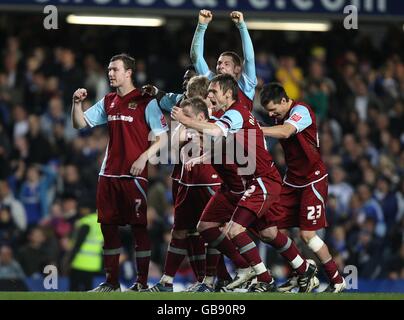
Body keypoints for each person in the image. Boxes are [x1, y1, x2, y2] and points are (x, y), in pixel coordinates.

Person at [172, 75, 317, 292]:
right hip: (249, 182)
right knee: (263, 232)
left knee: (235, 229)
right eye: (209, 91)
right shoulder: (233, 114)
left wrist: (187, 121)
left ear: (228, 94)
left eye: (214, 91)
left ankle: (263, 278)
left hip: (262, 180)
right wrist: (201, 157)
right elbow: (224, 143)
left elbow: (216, 132)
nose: (210, 95)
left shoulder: (235, 113)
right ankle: (304, 268)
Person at [71, 53, 168, 292]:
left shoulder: (147, 101)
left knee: (138, 228)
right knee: (108, 228)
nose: (110, 73)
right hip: (109, 174)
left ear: (128, 73)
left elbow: (162, 137)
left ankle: (142, 282)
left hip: (133, 175)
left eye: (115, 69)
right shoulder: (108, 101)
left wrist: (144, 157)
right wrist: (76, 103)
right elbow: (79, 124)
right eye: (109, 70)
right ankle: (111, 282)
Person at [260, 82, 346, 293]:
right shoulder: (278, 115)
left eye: (273, 109)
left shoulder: (302, 111)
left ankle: (337, 280)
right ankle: (302, 271)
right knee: (268, 229)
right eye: (268, 111)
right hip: (292, 180)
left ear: (284, 100)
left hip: (312, 180)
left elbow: (286, 131)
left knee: (308, 235)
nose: (271, 114)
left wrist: (257, 130)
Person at [144, 83, 222, 292]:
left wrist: (190, 126)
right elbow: (175, 143)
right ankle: (167, 281)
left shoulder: (216, 120)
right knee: (180, 231)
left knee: (212, 230)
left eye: (190, 92)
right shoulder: (187, 119)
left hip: (210, 181)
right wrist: (183, 124)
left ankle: (215, 279)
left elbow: (219, 144)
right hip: (187, 181)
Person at [190, 10, 256, 111]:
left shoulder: (246, 85)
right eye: (219, 63)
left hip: (240, 127)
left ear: (237, 69)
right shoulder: (211, 80)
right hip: (214, 127)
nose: (221, 66)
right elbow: (196, 57)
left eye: (227, 64)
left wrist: (242, 26)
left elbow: (249, 59)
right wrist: (201, 26)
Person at [65, 209, 103, 291]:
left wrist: (69, 260)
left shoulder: (86, 221)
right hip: (93, 263)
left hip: (79, 261)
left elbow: (78, 243)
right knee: (88, 289)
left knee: (74, 289)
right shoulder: (103, 222)